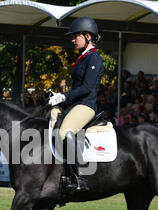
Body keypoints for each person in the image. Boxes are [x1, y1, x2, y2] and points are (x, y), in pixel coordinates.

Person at [48, 16, 104, 191]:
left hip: (86, 105)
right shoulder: (82, 58)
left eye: (75, 36)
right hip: (75, 104)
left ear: (87, 36)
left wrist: (64, 97)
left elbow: (87, 87)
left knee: (66, 132)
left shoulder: (94, 58)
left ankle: (78, 178)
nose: (72, 40)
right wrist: (60, 96)